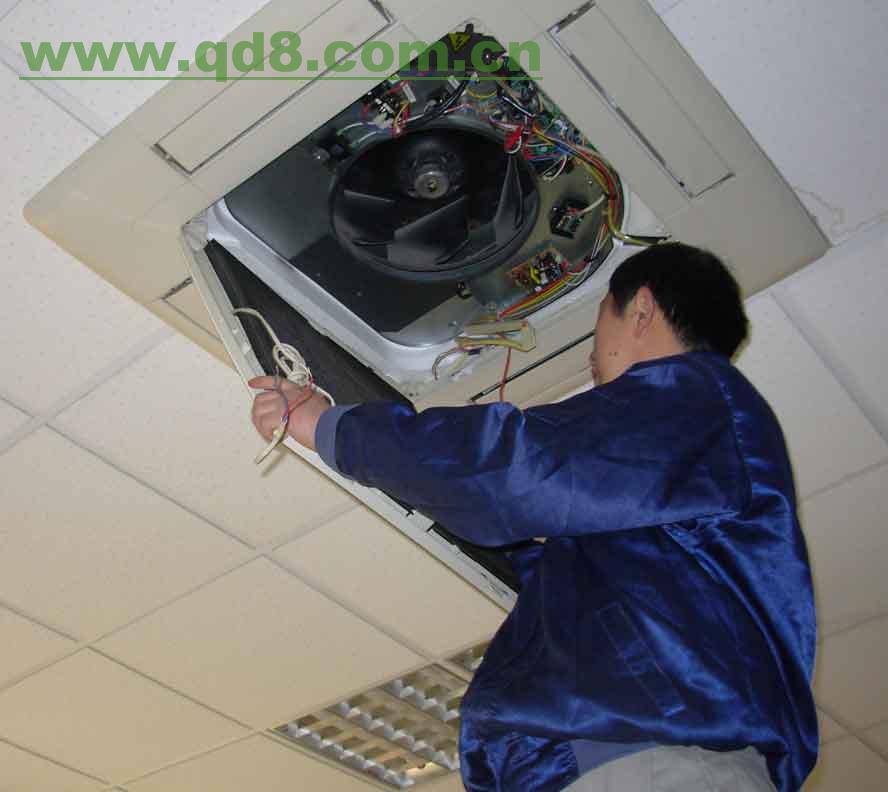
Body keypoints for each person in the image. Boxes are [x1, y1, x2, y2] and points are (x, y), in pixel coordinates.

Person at [250, 243, 818, 792]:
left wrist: (334, 429)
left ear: (641, 309)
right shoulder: (682, 458)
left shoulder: (696, 399)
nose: (592, 352)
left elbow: (517, 472)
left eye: (602, 318)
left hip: (651, 761)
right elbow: (567, 560)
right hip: (619, 759)